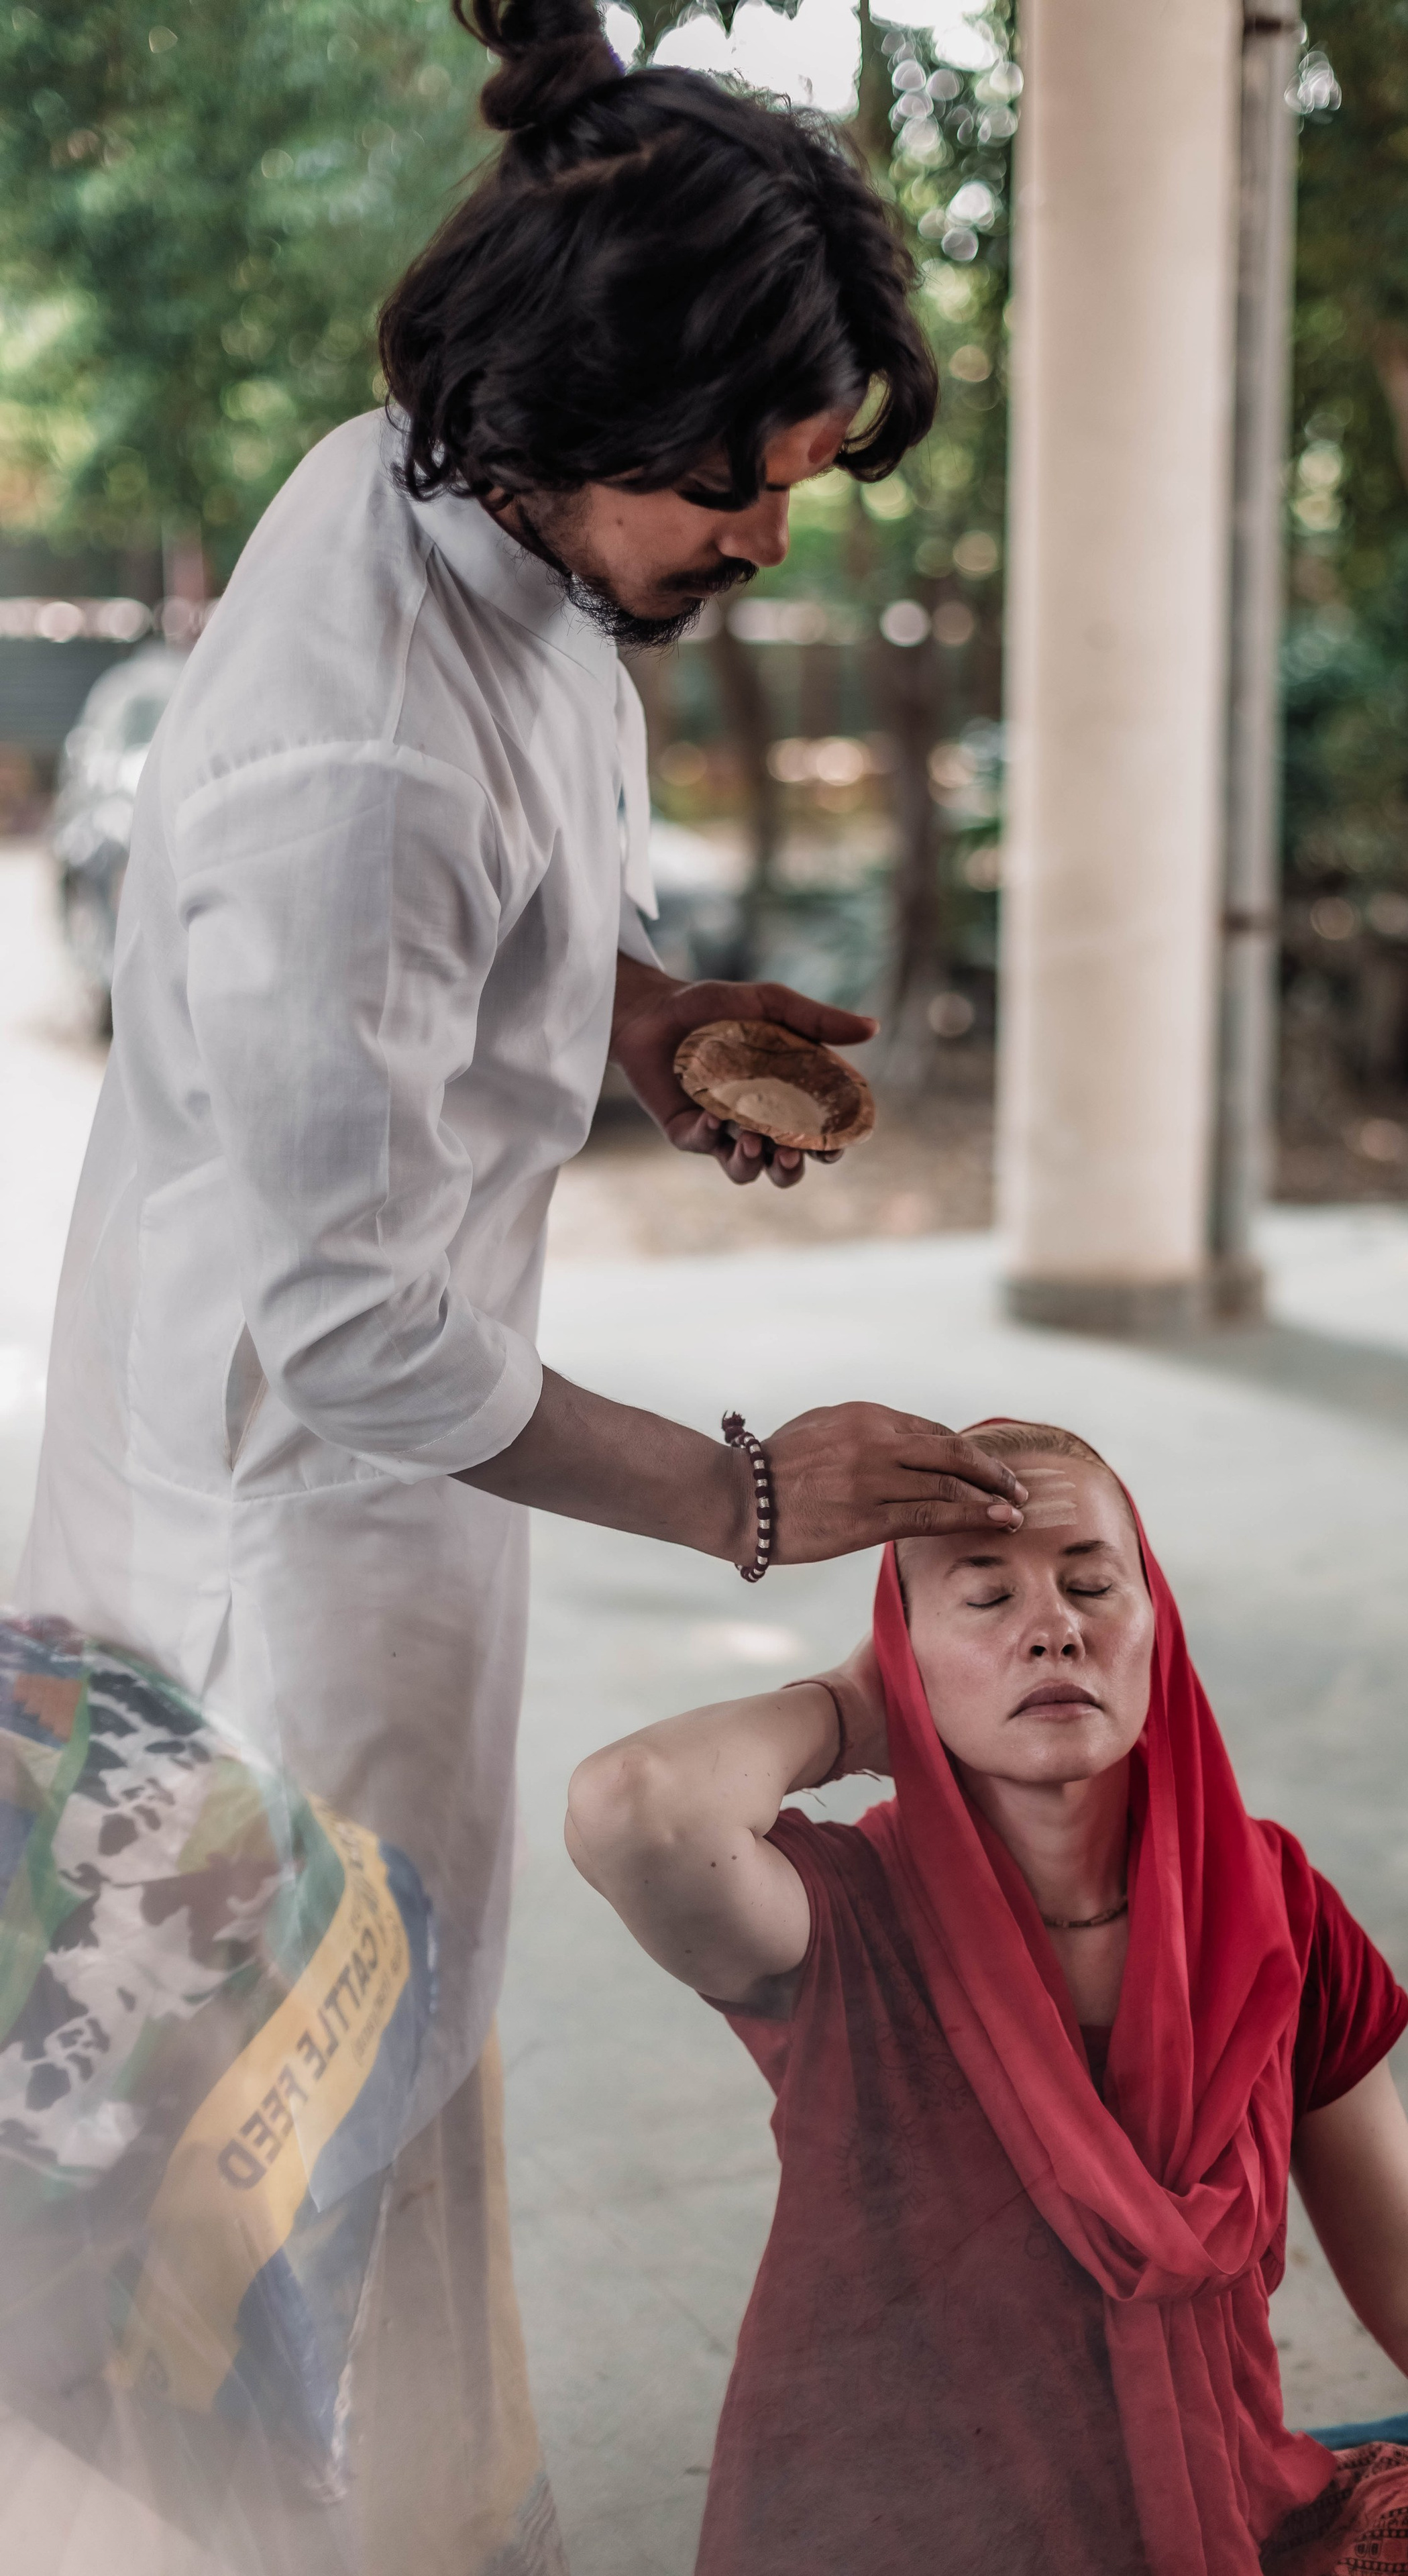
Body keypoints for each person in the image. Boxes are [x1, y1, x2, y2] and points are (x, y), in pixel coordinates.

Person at [11, 8, 1026, 2569]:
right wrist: (746, 1491)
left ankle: (433, 2515)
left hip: (406, 1468)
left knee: (397, 2046)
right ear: (579, 399)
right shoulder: (358, 739)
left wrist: (653, 1018)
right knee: (275, 2098)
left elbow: (499, 929)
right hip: (289, 1496)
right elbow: (357, 1329)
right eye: (741, 484)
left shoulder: (493, 537)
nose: (768, 541)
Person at [566, 1421, 1408, 2576]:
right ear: (901, 1660)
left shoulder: (1271, 1906)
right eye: (985, 1597)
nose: (1053, 1626)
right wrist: (852, 1709)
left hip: (1228, 2520)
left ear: (1155, 1630)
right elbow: (635, 1806)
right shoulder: (846, 1919)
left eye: (1090, 1585)